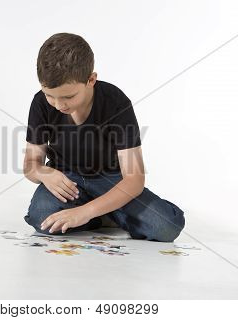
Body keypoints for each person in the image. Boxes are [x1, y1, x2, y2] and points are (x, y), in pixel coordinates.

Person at [23, 32, 185, 242]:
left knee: (166, 227)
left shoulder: (116, 103)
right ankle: (103, 215)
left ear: (91, 80)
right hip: (68, 181)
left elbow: (134, 180)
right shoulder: (40, 103)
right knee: (42, 219)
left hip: (111, 180)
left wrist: (85, 212)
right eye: (49, 95)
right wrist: (44, 173)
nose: (59, 105)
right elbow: (30, 165)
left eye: (69, 96)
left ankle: (99, 211)